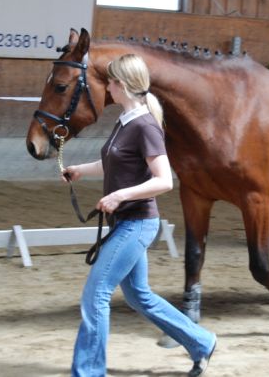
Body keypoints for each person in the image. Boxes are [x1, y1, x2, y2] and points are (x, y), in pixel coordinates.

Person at [62, 54, 217, 377]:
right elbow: (114, 162)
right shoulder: (125, 121)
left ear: (121, 84)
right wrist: (80, 170)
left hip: (136, 223)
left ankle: (88, 372)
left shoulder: (145, 126)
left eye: (110, 82)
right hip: (126, 223)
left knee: (96, 296)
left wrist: (120, 195)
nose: (107, 87)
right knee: (138, 296)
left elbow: (164, 180)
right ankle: (201, 342)